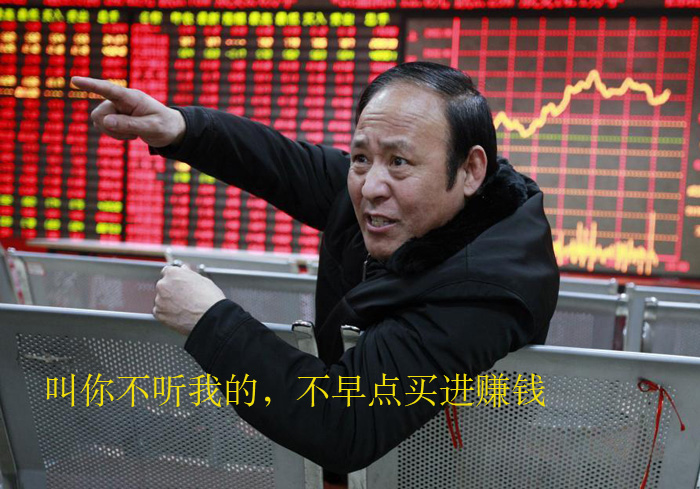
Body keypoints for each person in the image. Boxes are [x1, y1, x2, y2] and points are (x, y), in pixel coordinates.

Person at [72, 62, 559, 477]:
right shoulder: (390, 199)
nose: (371, 186)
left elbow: (342, 423)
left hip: (439, 475)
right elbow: (283, 164)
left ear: (470, 170)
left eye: (399, 161)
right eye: (362, 157)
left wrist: (209, 320)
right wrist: (180, 127)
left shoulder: (486, 288)